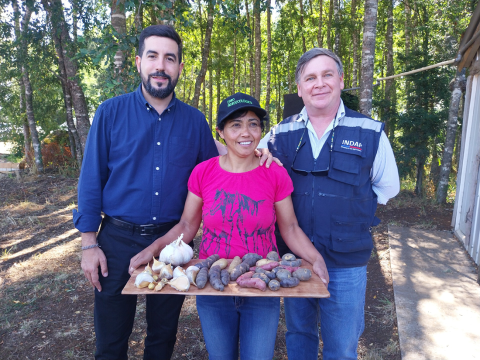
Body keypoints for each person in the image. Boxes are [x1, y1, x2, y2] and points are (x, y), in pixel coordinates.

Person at [129, 92, 329, 360]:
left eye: (253, 123)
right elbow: (187, 224)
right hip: (212, 286)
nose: (245, 132)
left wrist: (315, 258)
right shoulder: (203, 172)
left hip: (262, 283)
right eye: (235, 124)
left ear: (261, 130)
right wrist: (152, 250)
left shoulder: (274, 173)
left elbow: (290, 228)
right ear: (220, 132)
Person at [72, 25, 223, 360]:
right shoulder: (110, 113)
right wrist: (88, 244)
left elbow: (216, 175)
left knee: (162, 337)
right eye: (153, 56)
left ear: (180, 68)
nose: (161, 65)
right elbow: (91, 180)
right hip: (116, 241)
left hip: (173, 244)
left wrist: (253, 153)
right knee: (111, 342)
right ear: (139, 62)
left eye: (170, 59)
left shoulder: (195, 122)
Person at [258, 48, 400, 360]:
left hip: (346, 260)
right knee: (299, 336)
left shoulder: (369, 131)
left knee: (341, 346)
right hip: (295, 259)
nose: (318, 83)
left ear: (340, 80)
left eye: (326, 75)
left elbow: (387, 187)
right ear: (299, 88)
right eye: (310, 78)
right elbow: (246, 162)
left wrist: (348, 208)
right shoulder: (280, 133)